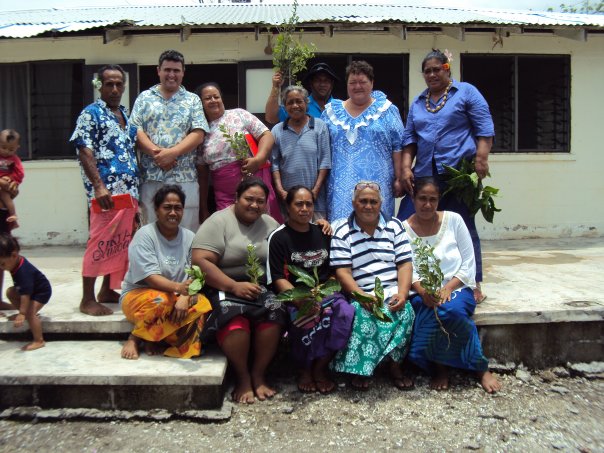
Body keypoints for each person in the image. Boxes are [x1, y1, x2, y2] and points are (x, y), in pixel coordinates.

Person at [397, 49, 495, 303]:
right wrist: (406, 168)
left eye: (436, 69)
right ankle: (403, 281)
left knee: (463, 226)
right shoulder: (419, 102)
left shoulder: (466, 92)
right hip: (424, 178)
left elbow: (484, 127)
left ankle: (473, 284)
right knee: (402, 225)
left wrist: (481, 159)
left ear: (447, 68)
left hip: (456, 175)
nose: (431, 74)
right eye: (427, 71)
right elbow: (409, 140)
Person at [402, 177, 501, 393]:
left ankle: (479, 367)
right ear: (413, 198)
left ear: (439, 200)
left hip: (456, 287)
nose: (427, 204)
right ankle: (440, 367)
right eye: (422, 199)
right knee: (430, 309)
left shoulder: (454, 220)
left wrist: (448, 288)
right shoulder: (403, 230)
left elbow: (468, 261)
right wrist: (422, 290)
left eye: (433, 199)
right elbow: (405, 267)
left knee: (452, 311)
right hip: (422, 290)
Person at [192, 178, 285, 404]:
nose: (254, 205)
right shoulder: (218, 221)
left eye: (260, 201)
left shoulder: (270, 223)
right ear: (236, 198)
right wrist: (233, 286)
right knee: (234, 318)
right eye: (249, 199)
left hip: (259, 286)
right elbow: (200, 260)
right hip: (223, 285)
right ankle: (243, 378)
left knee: (276, 311)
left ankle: (258, 374)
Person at [267, 186, 354, 394]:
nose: (304, 209)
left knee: (344, 313)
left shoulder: (323, 233)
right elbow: (278, 277)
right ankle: (304, 369)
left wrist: (326, 291)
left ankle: (320, 368)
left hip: (325, 291)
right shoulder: (279, 237)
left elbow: (334, 270)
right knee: (306, 317)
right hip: (296, 295)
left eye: (309, 204)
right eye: (299, 204)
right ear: (288, 207)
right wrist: (300, 300)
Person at [330, 181, 415, 390]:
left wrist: (403, 293)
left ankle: (395, 367)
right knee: (363, 314)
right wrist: (361, 295)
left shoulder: (394, 226)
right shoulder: (341, 229)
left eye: (373, 201)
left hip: (392, 290)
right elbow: (343, 272)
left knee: (406, 313)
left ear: (381, 204)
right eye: (363, 201)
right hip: (363, 292)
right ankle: (363, 369)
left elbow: (404, 263)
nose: (368, 206)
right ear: (353, 203)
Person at [70, 64, 140, 317]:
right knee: (99, 242)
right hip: (106, 194)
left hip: (129, 193)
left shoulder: (124, 114)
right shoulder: (91, 113)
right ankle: (87, 299)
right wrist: (99, 186)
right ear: (99, 85)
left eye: (118, 84)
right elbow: (84, 150)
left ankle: (107, 290)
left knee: (120, 243)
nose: (114, 88)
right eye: (108, 84)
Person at [120, 184, 212, 360]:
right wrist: (180, 289)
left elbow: (196, 274)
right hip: (139, 296)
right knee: (161, 299)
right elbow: (150, 278)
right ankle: (136, 337)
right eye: (167, 207)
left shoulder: (190, 237)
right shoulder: (145, 235)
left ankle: (158, 337)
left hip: (176, 297)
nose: (173, 213)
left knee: (202, 303)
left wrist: (185, 296)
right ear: (156, 210)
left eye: (177, 208)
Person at [130, 49, 208, 232]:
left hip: (184, 177)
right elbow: (135, 130)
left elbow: (198, 132)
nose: (171, 75)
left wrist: (172, 153)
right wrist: (158, 155)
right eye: (167, 70)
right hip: (151, 176)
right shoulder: (144, 98)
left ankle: (185, 262)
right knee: (151, 228)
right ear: (158, 70)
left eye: (176, 70)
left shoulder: (192, 100)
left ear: (183, 72)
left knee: (186, 230)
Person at [322, 60, 404, 222]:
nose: (357, 86)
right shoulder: (331, 112)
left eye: (362, 82)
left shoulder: (387, 110)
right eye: (352, 82)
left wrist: (399, 178)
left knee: (377, 231)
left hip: (378, 185)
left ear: (372, 83)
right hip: (339, 187)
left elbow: (398, 146)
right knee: (341, 231)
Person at [196, 82, 281, 223]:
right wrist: (203, 207)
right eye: (207, 98)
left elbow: (267, 135)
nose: (213, 100)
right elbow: (203, 175)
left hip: (253, 183)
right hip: (224, 194)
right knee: (230, 229)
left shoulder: (239, 114)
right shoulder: (200, 130)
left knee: (262, 225)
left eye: (215, 96)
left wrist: (258, 159)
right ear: (201, 104)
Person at [270, 86, 331, 219]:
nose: (295, 105)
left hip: (315, 201)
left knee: (317, 236)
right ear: (285, 107)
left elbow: (325, 162)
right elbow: (274, 165)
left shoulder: (319, 126)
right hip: (288, 202)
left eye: (299, 101)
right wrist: (281, 191)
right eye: (290, 103)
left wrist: (315, 191)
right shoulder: (277, 130)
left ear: (306, 103)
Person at [0, 233, 52, 351]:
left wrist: (23, 313)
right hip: (30, 289)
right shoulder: (15, 262)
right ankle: (27, 314)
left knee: (29, 313)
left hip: (41, 292)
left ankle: (39, 340)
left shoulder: (23, 272)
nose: (1, 267)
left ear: (14, 255)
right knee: (10, 292)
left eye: (2, 264)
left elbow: (25, 295)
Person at [265, 62, 338, 124]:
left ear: (332, 84)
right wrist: (275, 87)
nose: (322, 84)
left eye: (326, 81)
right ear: (311, 83)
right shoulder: (300, 104)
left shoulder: (341, 107)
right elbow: (271, 118)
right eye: (318, 80)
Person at [0, 129, 24, 229]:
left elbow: (20, 172)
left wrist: (12, 180)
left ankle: (13, 217)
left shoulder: (14, 159)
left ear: (17, 148)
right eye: (3, 147)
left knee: (5, 196)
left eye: (11, 149)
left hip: (6, 185)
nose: (6, 151)